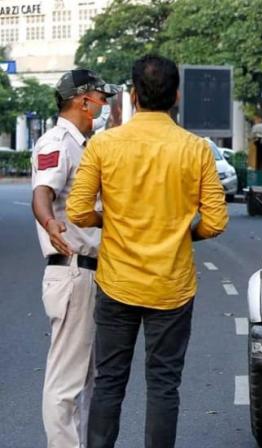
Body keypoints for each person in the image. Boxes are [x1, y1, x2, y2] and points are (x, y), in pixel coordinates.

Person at [66, 54, 229, 448]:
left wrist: (114, 222)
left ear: (134, 96)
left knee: (108, 382)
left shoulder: (104, 144)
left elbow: (77, 210)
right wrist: (179, 234)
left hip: (117, 282)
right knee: (163, 384)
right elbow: (216, 221)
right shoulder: (196, 149)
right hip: (171, 288)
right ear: (176, 95)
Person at [31, 69, 118, 448]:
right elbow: (42, 192)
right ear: (83, 101)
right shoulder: (57, 142)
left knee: (87, 380)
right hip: (72, 271)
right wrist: (50, 223)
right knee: (66, 381)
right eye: (101, 97)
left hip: (90, 274)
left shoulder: (85, 143)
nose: (104, 104)